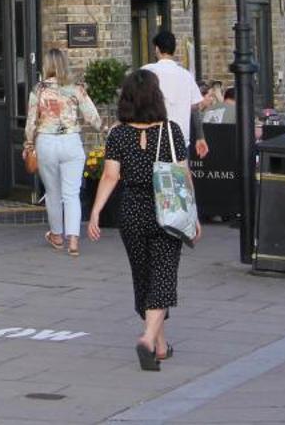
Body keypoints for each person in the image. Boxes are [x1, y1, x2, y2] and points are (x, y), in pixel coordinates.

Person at [87, 68, 191, 371]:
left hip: (131, 211)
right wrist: (192, 212)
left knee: (144, 277)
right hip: (167, 208)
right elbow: (183, 174)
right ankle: (148, 338)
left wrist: (95, 211)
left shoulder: (118, 134)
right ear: (156, 97)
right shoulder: (171, 131)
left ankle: (160, 346)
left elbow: (110, 176)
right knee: (163, 275)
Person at [24, 47, 101, 255]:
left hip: (47, 142)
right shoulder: (76, 88)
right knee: (72, 194)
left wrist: (28, 144)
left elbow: (31, 122)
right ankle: (73, 241)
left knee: (53, 193)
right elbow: (92, 116)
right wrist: (103, 129)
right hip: (71, 142)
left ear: (46, 65)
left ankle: (57, 236)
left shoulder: (38, 89)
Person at [141, 30, 210, 159]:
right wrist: (200, 137)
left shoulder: (147, 71)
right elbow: (194, 108)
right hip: (180, 141)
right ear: (174, 49)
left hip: (150, 139)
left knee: (151, 178)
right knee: (179, 178)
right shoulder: (186, 76)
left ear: (157, 49)